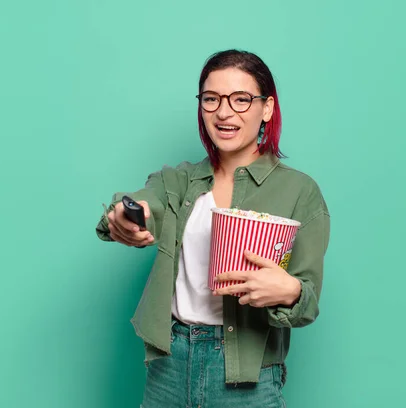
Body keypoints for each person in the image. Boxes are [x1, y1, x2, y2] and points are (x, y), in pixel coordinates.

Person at [95, 49, 330, 408]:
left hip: (247, 375)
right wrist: (124, 216)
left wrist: (290, 291)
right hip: (169, 365)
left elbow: (308, 300)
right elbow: (146, 202)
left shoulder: (300, 191)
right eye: (211, 99)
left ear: (266, 108)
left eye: (241, 99)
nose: (224, 112)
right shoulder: (178, 180)